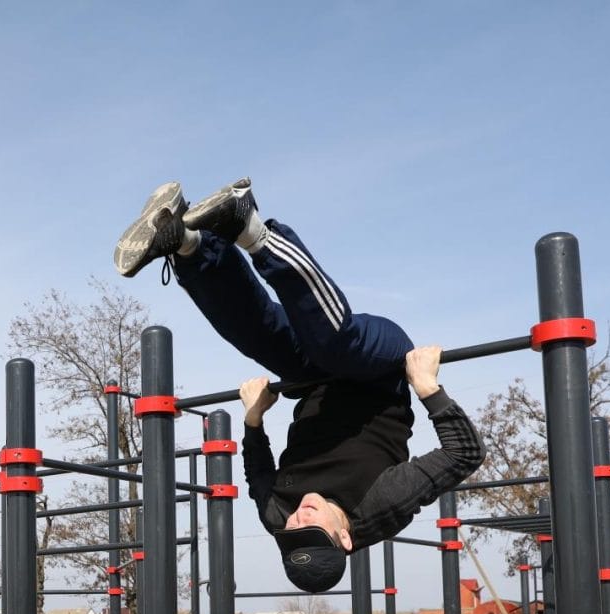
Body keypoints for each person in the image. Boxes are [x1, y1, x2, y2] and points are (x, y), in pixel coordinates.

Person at [114, 178, 485, 592]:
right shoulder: (382, 506)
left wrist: (253, 421)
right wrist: (428, 388)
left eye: (292, 532)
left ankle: (187, 244)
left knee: (259, 336)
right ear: (345, 539)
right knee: (333, 345)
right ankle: (252, 228)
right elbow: (465, 453)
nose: (299, 520)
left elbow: (258, 473)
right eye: (312, 530)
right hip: (377, 369)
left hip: (313, 382)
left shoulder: (278, 519)